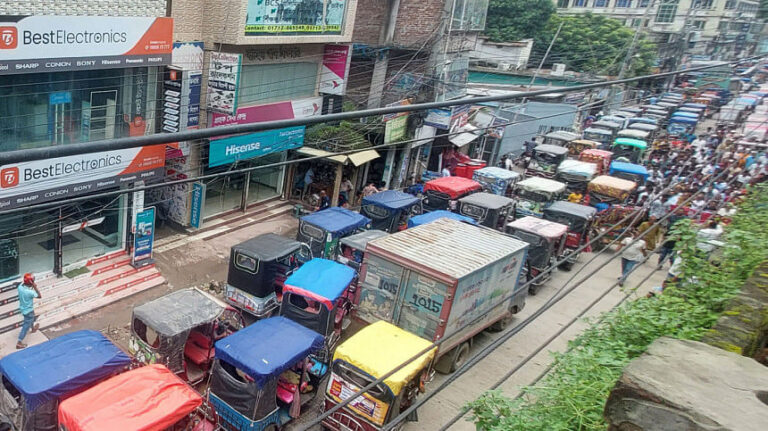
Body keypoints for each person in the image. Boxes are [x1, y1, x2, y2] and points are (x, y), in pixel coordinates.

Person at [17, 273, 41, 349]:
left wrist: (30, 282)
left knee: (32, 318)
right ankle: (19, 342)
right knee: (25, 326)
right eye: (33, 281)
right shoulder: (30, 292)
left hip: (23, 309)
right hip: (28, 310)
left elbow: (24, 282)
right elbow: (39, 296)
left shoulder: (20, 287)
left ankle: (33, 328)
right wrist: (35, 287)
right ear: (31, 283)